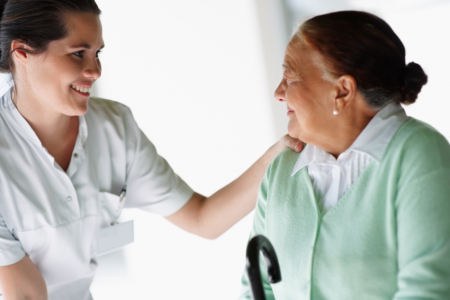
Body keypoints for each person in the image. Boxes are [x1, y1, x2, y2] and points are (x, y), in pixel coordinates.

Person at [0, 1, 303, 299]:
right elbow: (25, 293)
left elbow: (202, 218)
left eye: (97, 53)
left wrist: (281, 151)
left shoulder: (113, 127)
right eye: (78, 54)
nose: (95, 71)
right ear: (23, 52)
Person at [239, 10, 450, 300]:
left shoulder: (419, 154)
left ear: (342, 91)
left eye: (290, 77)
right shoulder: (281, 171)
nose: (278, 92)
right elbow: (255, 290)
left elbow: (428, 290)